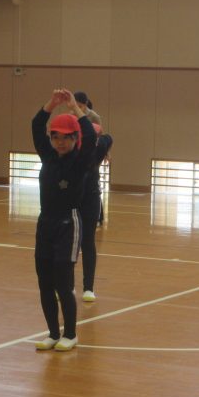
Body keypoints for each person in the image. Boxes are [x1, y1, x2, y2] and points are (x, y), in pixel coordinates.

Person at [31, 89, 98, 351]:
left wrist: (74, 108)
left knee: (62, 282)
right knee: (44, 282)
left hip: (68, 225)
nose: (59, 142)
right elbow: (36, 125)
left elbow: (90, 136)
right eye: (55, 137)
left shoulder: (80, 162)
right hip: (45, 223)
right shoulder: (47, 156)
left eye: (66, 138)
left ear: (74, 139)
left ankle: (70, 334)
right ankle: (52, 333)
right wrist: (51, 104)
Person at [79, 120, 113, 302]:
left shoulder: (97, 150)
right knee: (69, 243)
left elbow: (108, 138)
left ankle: (88, 287)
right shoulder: (74, 151)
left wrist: (105, 149)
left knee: (87, 242)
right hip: (72, 200)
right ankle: (65, 285)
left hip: (90, 200)